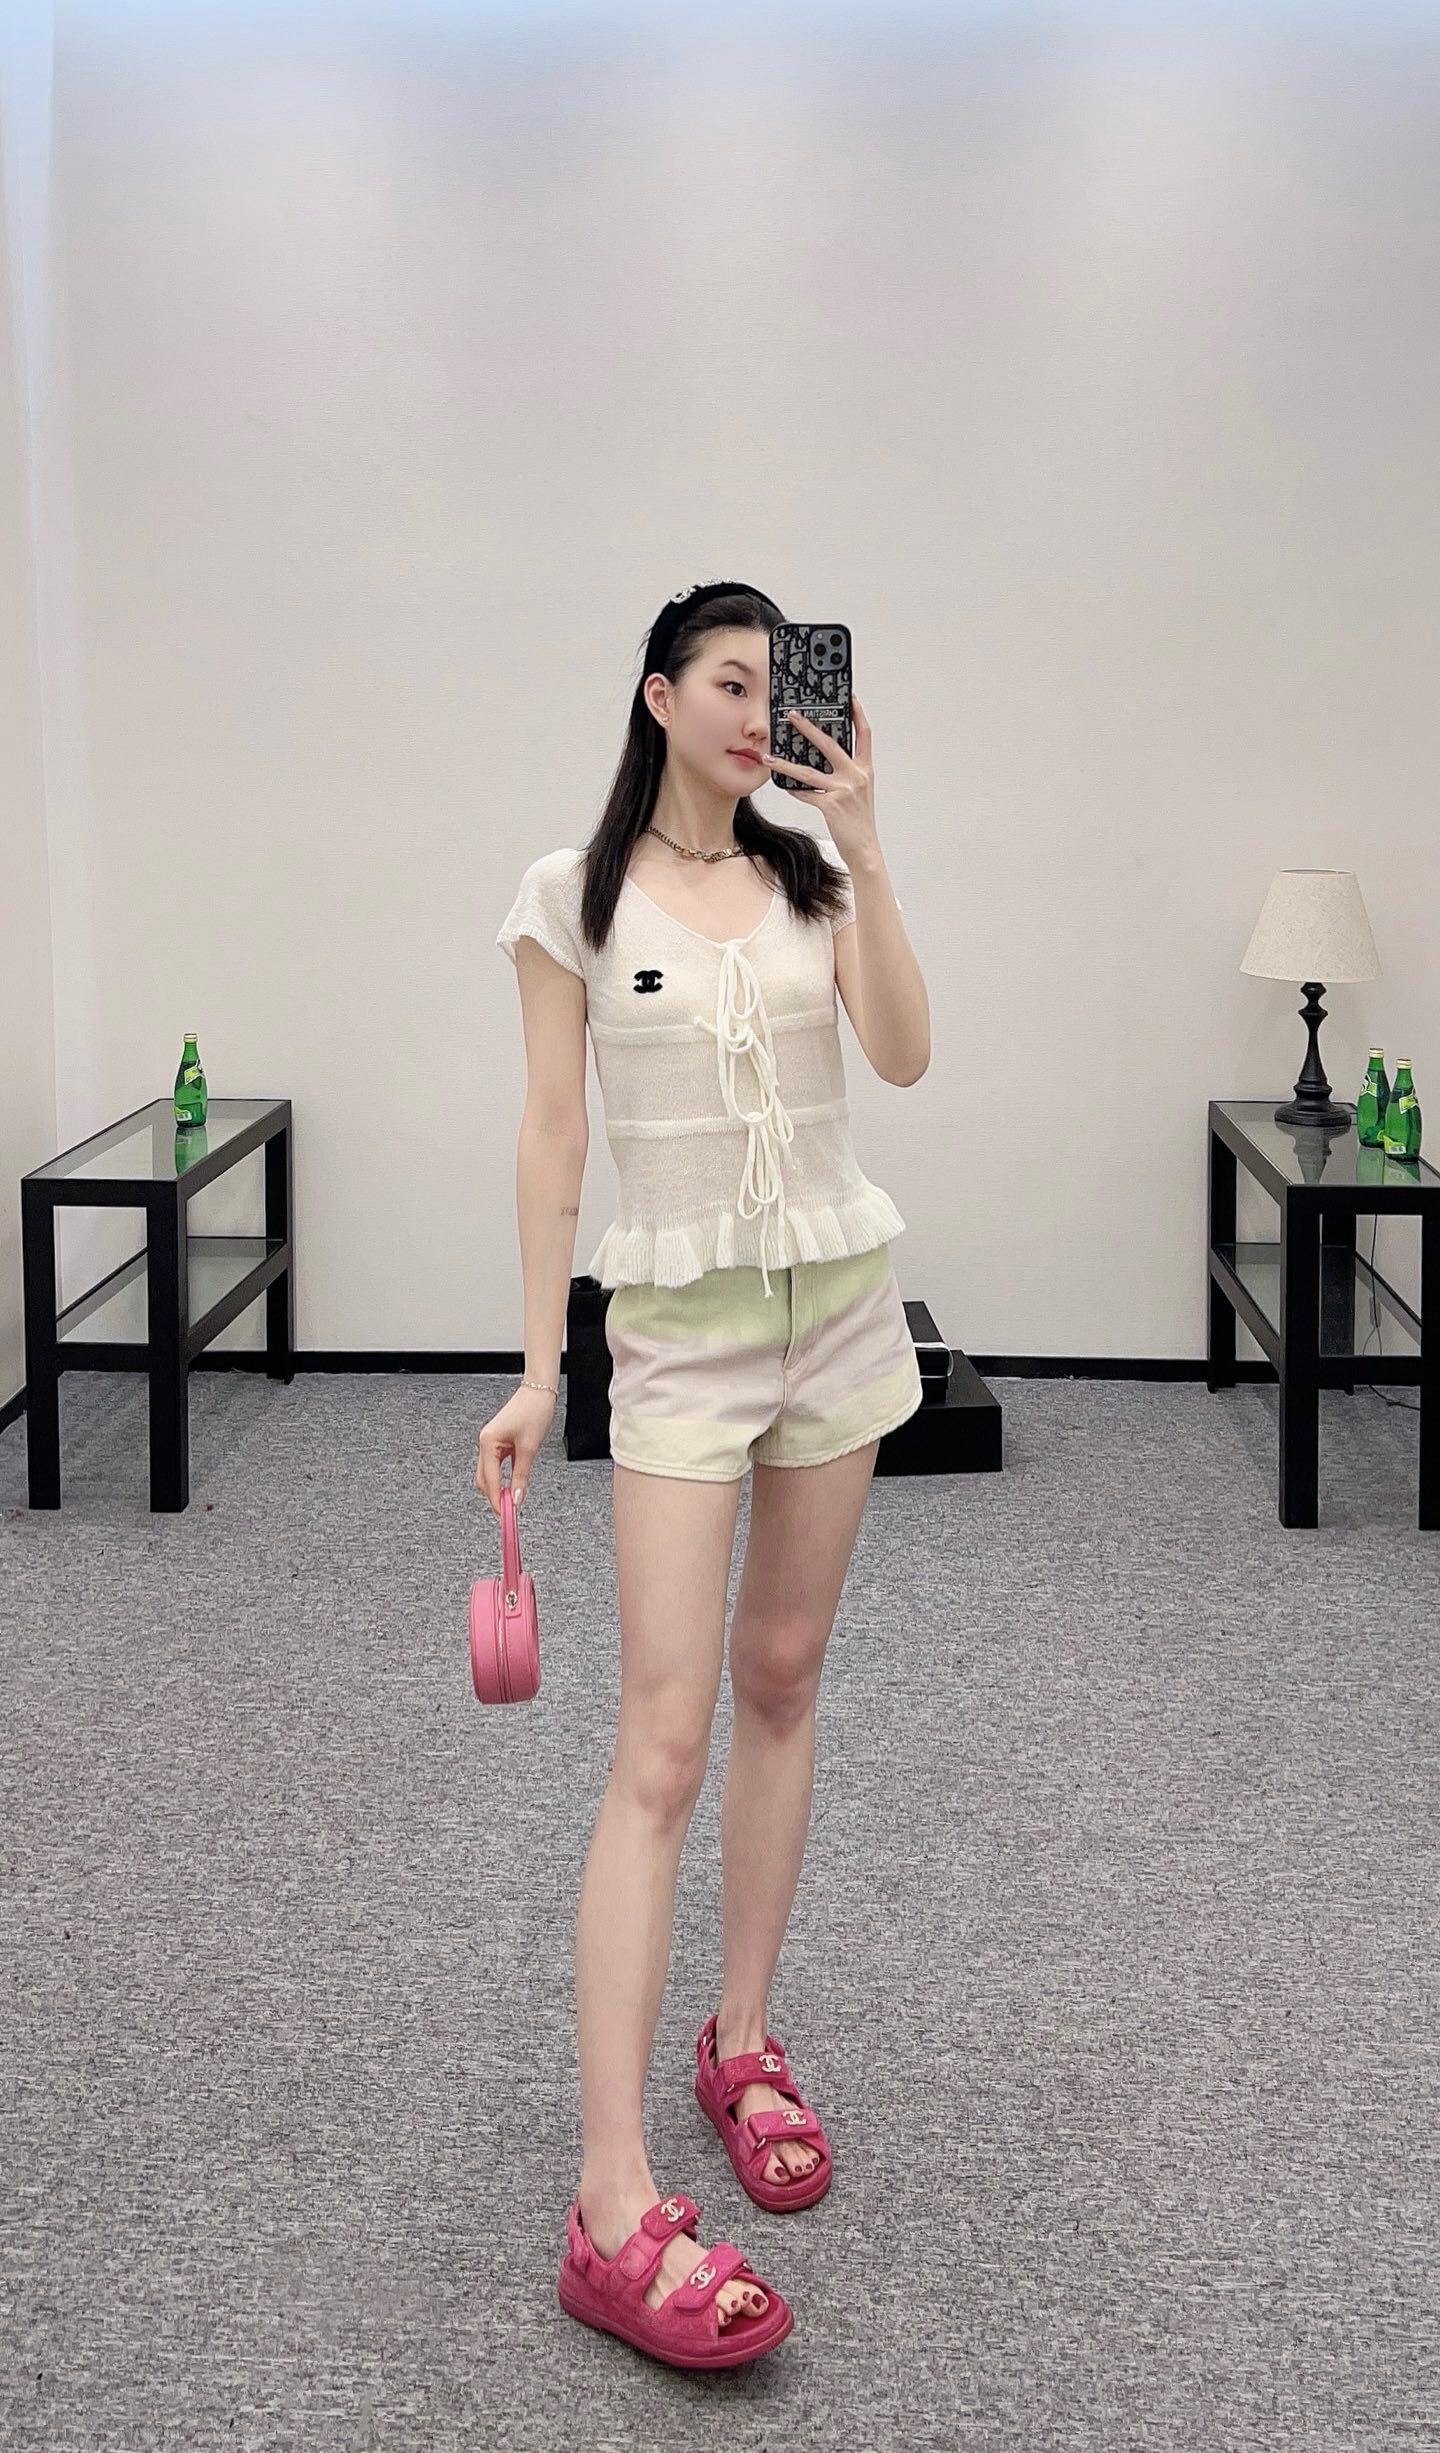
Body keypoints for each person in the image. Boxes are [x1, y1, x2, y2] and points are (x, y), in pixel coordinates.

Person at [477, 578, 930, 2371]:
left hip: (842, 1318)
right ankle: (609, 2204)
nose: (759, 714)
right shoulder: (571, 898)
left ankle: (739, 2040)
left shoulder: (812, 877)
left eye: (776, 686)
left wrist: (867, 840)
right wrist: (538, 1366)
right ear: (659, 695)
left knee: (784, 1674)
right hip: (678, 1337)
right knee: (659, 1742)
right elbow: (551, 1134)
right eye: (729, 683)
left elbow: (904, 1052)